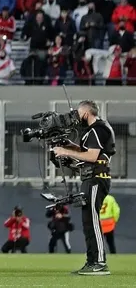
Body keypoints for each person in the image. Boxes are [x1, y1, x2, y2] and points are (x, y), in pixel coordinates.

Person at [51, 100, 115, 275]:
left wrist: (66, 152)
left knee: (93, 220)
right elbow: (86, 151)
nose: (76, 118)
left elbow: (92, 156)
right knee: (87, 222)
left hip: (96, 179)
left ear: (86, 114)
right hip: (90, 178)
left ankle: (100, 262)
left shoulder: (98, 129)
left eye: (78, 114)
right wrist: (69, 146)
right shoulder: (93, 131)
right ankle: (92, 261)